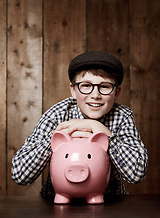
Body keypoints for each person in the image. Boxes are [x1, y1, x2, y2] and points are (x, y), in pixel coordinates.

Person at [12, 51, 148, 198]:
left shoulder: (122, 116)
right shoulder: (58, 114)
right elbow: (20, 175)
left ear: (116, 92)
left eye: (105, 86)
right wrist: (53, 139)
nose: (95, 95)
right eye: (86, 85)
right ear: (73, 90)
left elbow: (136, 174)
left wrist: (102, 131)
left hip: (109, 202)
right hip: (57, 201)